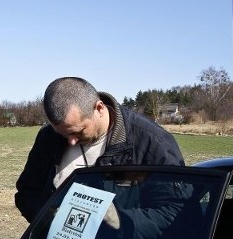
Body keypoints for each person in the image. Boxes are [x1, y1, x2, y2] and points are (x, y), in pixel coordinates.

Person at [15, 76, 185, 223]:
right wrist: (50, 220)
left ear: (99, 108)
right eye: (63, 134)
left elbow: (174, 210)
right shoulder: (49, 137)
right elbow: (27, 193)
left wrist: (119, 223)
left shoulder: (152, 142)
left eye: (78, 131)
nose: (71, 141)